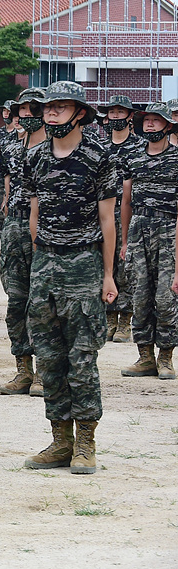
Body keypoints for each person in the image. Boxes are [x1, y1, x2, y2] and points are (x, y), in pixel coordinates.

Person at [23, 81, 119, 476]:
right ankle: (60, 439)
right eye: (48, 108)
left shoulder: (99, 157)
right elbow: (32, 213)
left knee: (82, 358)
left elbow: (107, 220)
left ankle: (85, 443)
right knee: (48, 358)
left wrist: (109, 275)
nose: (51, 113)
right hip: (45, 264)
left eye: (60, 107)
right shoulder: (36, 157)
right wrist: (37, 263)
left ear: (80, 112)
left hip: (83, 264)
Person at [120, 102, 177, 380]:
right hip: (139, 229)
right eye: (147, 120)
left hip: (169, 229)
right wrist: (124, 241)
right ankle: (145, 357)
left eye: (157, 120)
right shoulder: (132, 157)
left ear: (168, 125)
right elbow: (126, 202)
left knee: (166, 298)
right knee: (140, 296)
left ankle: (166, 357)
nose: (150, 124)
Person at [0, 88, 47, 397]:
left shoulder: (55, 150)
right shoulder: (12, 148)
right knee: (17, 301)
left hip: (45, 230)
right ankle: (23, 369)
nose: (26, 115)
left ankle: (45, 370)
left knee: (43, 304)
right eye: (22, 110)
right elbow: (5, 183)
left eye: (32, 109)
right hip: (15, 226)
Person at [103, 95, 138, 343]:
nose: (115, 116)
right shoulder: (99, 146)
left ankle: (125, 319)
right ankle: (107, 317)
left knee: (125, 267)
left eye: (120, 112)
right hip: (103, 212)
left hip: (127, 213)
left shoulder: (139, 147)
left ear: (130, 116)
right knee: (104, 265)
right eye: (112, 112)